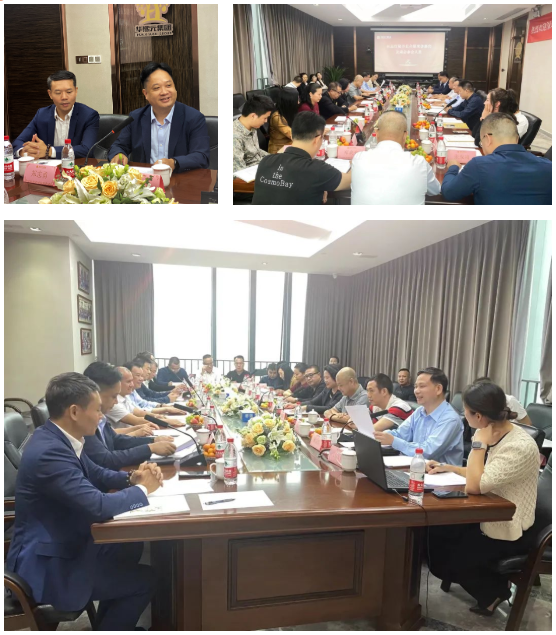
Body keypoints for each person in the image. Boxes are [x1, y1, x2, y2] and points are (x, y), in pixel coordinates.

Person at [5, 372, 162, 630]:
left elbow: (95, 472)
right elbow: (98, 507)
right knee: (146, 579)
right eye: (97, 409)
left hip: (67, 540)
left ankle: (110, 626)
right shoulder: (49, 452)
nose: (102, 416)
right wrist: (143, 490)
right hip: (50, 566)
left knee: (130, 546)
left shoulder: (58, 437)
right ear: (75, 412)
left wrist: (132, 478)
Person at [426, 381, 539, 615]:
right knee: (435, 533)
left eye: (465, 411)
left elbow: (476, 486)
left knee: (448, 552)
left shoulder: (517, 446)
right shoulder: (493, 433)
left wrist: (478, 444)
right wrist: (448, 467)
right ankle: (488, 587)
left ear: (478, 416)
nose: (463, 415)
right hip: (490, 510)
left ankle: (494, 592)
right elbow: (484, 474)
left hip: (511, 526)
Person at [109, 62, 209, 172]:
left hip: (179, 179)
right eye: (156, 88)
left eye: (168, 85)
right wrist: (118, 154)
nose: (164, 92)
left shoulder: (194, 117)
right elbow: (118, 146)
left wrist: (174, 162)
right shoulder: (135, 118)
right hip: (145, 179)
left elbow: (201, 156)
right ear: (146, 94)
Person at [441, 113, 552, 205]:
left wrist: (453, 167)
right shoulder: (549, 167)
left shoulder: (479, 165)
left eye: (481, 142)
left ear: (488, 139)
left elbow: (449, 193)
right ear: (517, 139)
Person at [82, 362, 176, 470]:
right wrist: (150, 448)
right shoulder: (86, 422)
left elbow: (116, 440)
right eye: (113, 396)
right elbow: (106, 460)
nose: (116, 401)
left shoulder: (101, 417)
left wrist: (153, 441)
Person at [252, 110, 351, 205]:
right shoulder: (317, 169)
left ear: (292, 136)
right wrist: (353, 163)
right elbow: (350, 180)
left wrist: (320, 183)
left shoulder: (265, 161)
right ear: (317, 139)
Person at [374, 367, 463, 464]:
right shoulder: (419, 411)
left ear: (438, 389)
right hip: (415, 467)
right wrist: (380, 436)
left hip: (440, 472)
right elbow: (400, 434)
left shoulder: (450, 419)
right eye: (415, 386)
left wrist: (393, 441)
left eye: (422, 386)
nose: (416, 391)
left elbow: (428, 451)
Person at [351, 110, 440, 205]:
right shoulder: (420, 163)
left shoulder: (358, 159)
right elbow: (436, 190)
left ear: (376, 133)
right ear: (405, 136)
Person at [12, 70, 99, 160]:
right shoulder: (42, 114)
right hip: (47, 166)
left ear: (76, 91)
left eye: (69, 92)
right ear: (50, 94)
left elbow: (87, 150)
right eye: (58, 93)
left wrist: (49, 151)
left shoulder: (89, 116)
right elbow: (18, 142)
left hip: (75, 166)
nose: (64, 97)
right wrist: (24, 151)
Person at [106, 366, 178, 433]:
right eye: (128, 382)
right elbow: (136, 421)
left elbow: (138, 412)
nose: (132, 384)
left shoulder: (125, 396)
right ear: (117, 383)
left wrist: (156, 416)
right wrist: (167, 422)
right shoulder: (113, 402)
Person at [233, 94, 274, 172]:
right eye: (265, 118)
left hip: (261, 165)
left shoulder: (253, 127)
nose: (266, 121)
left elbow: (256, 151)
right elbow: (239, 172)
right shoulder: (235, 137)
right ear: (253, 116)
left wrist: (275, 158)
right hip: (251, 174)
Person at [269, 88, 298, 153]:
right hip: (278, 151)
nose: (298, 102)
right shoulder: (277, 117)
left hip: (289, 146)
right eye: (297, 99)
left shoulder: (288, 112)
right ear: (290, 101)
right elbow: (292, 134)